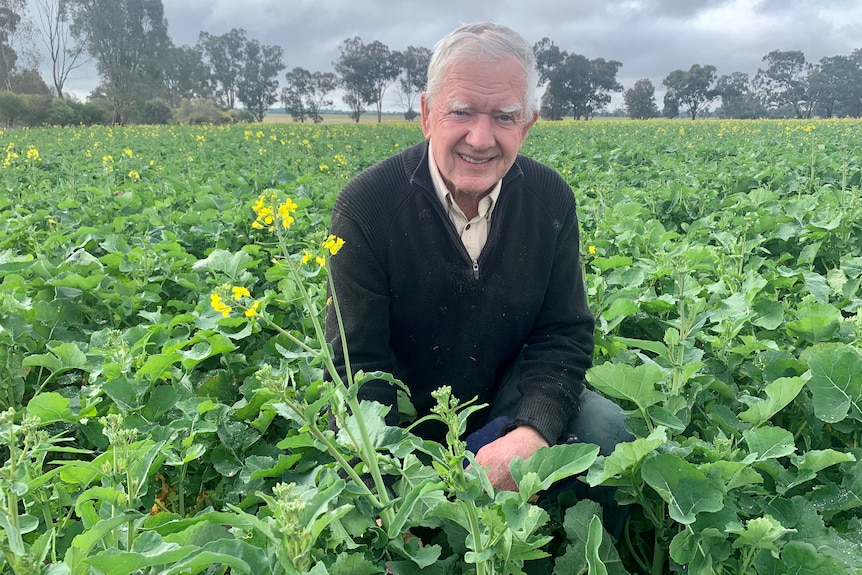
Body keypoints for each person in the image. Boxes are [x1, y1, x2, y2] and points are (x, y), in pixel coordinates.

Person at [324, 21, 628, 495]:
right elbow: (357, 365)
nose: (481, 138)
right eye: (461, 111)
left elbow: (563, 332)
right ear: (427, 114)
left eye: (504, 117)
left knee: (606, 434)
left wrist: (533, 431)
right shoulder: (367, 206)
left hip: (510, 405)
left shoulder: (549, 199)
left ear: (527, 125)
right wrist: (379, 483)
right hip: (407, 426)